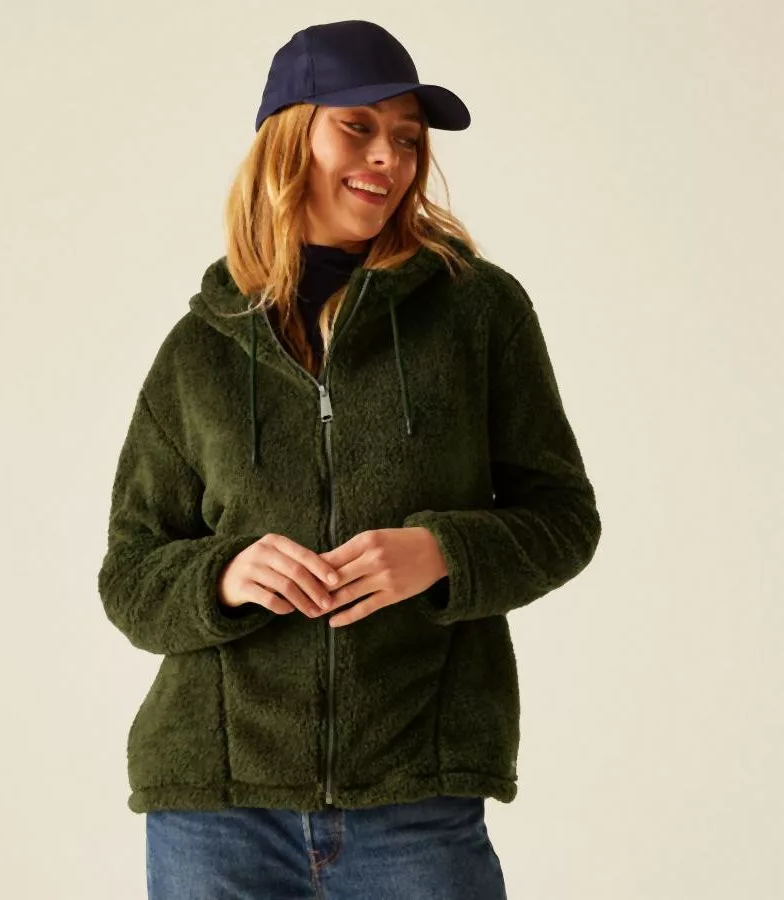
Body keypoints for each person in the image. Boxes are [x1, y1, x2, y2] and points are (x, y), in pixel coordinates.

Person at [97, 18, 601, 900]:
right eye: (358, 127)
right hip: (216, 810)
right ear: (290, 137)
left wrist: (443, 552)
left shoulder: (478, 313)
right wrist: (224, 577)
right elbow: (130, 576)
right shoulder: (201, 347)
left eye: (406, 138)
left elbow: (564, 517)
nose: (389, 159)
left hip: (415, 799)